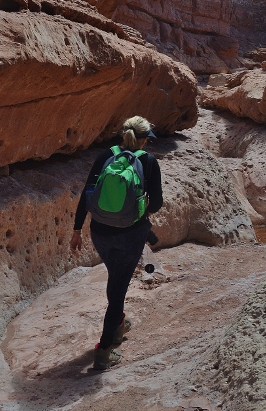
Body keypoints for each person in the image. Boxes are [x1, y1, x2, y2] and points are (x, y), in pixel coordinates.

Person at [70, 116, 163, 371]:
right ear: (144, 140)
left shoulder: (106, 155)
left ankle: (119, 323)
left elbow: (87, 195)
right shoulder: (147, 160)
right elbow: (155, 204)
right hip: (130, 234)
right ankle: (104, 350)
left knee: (115, 277)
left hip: (100, 232)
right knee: (119, 290)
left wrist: (77, 229)